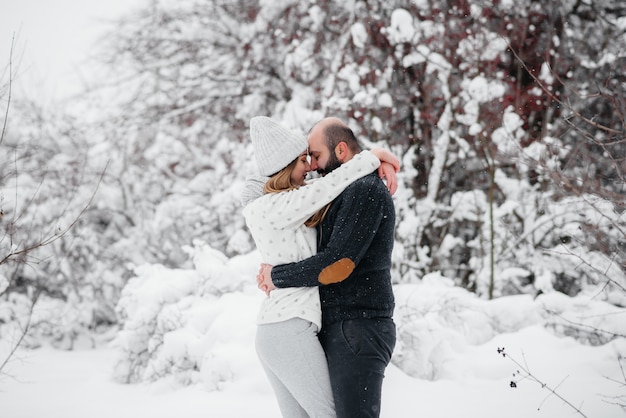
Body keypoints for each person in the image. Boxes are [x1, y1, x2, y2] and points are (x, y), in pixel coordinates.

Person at [241, 116, 399, 418]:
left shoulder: (354, 191)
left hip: (348, 324)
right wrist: (372, 157)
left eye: (314, 156)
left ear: (340, 151)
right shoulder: (282, 204)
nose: (311, 166)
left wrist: (378, 160)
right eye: (305, 159)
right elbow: (328, 184)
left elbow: (338, 262)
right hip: (292, 325)